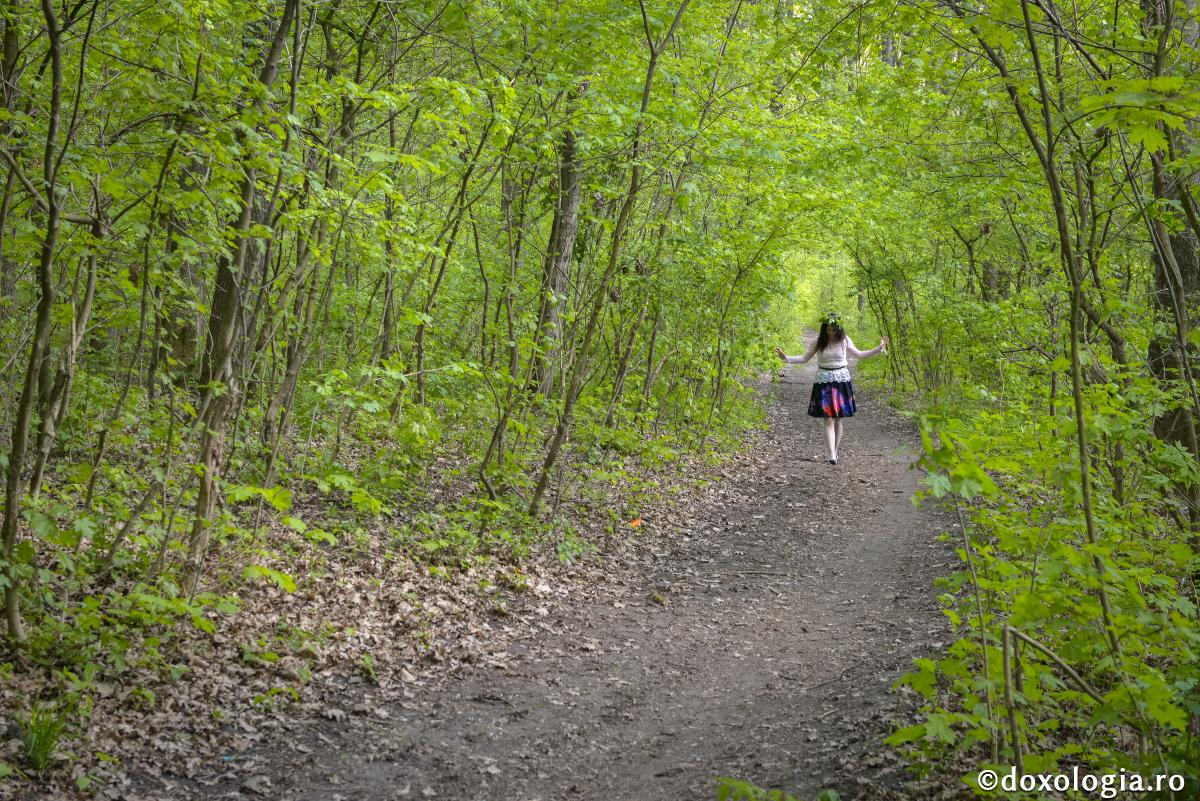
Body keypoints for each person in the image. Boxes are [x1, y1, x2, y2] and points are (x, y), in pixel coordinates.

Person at [774, 312, 887, 465]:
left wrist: (877, 349)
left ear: (838, 329)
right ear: (824, 328)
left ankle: (835, 450)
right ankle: (831, 455)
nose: (831, 333)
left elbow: (859, 354)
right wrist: (786, 358)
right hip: (824, 382)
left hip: (842, 381)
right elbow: (804, 358)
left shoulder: (845, 340)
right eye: (828, 330)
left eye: (833, 330)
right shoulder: (817, 341)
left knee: (838, 420)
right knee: (828, 419)